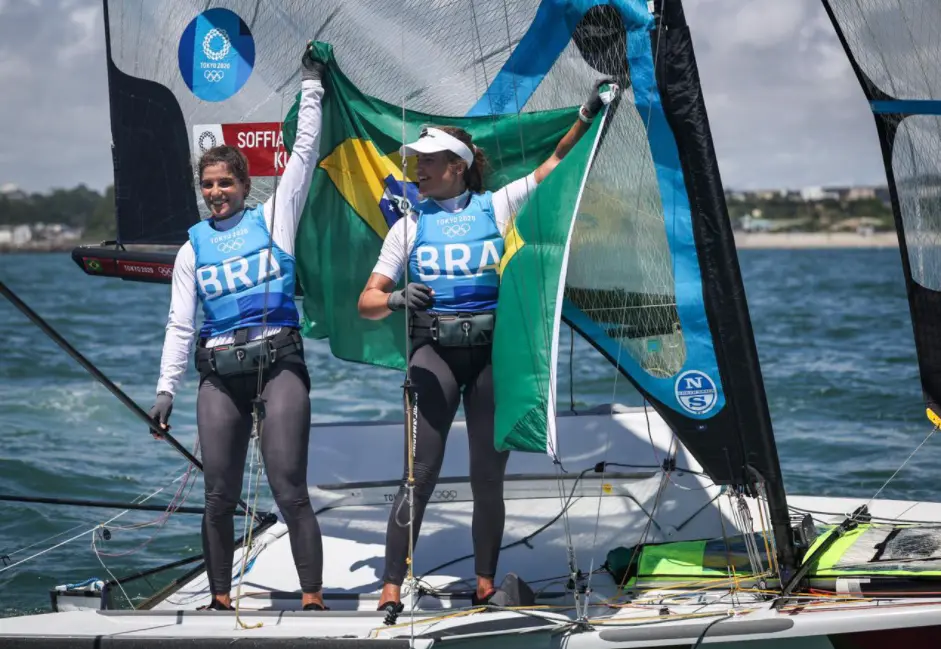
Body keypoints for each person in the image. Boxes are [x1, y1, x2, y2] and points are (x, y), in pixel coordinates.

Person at [357, 78, 614, 613]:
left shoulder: (497, 206)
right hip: (433, 357)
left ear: (456, 167)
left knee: (487, 478)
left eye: (428, 161)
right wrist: (397, 297)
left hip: (488, 359)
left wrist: (587, 116)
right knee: (419, 475)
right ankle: (390, 586)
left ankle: (483, 582)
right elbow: (367, 301)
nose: (418, 168)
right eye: (417, 161)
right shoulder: (408, 226)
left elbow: (555, 165)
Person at [147, 42, 328, 612]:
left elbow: (304, 153)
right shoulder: (191, 250)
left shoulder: (276, 217)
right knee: (218, 495)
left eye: (225, 183)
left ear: (246, 186)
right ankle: (220, 599)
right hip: (219, 375)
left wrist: (312, 85)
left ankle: (313, 598)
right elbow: (180, 325)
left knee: (289, 488)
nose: (216, 194)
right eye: (207, 185)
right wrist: (166, 390)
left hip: (279, 364)